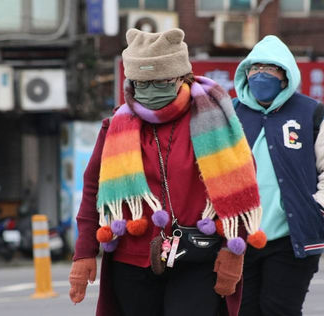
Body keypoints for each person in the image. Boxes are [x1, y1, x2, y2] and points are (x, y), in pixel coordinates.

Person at [69, 28, 267, 316]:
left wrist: (233, 251)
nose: (150, 90)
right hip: (132, 259)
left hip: (198, 257)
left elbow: (242, 189)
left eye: (160, 81)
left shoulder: (217, 122)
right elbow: (93, 190)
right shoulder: (114, 127)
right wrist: (84, 252)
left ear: (181, 77)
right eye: (141, 83)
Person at [232, 35, 324, 316]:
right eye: (255, 67)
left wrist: (320, 208)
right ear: (245, 72)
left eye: (270, 68)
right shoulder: (229, 114)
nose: (261, 74)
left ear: (286, 75)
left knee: (280, 309)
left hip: (292, 238)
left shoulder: (314, 114)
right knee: (242, 310)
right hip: (239, 238)